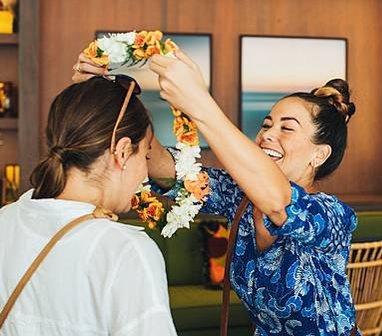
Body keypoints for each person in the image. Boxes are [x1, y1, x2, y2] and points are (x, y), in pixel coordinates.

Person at [74, 51, 359, 335]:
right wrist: (114, 98)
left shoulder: (333, 216)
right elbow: (164, 167)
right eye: (267, 124)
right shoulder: (239, 197)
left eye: (287, 128)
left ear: (319, 155)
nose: (268, 135)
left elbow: (280, 204)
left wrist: (199, 103)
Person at [0, 77, 177, 335]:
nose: (146, 175)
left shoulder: (5, 221)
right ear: (124, 151)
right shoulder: (125, 251)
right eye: (146, 154)